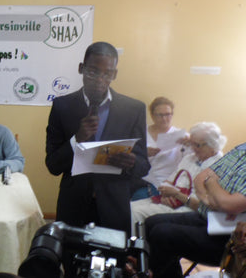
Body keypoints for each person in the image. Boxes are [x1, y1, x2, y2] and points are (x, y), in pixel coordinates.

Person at [45, 41, 149, 237]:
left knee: (113, 265)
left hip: (114, 207)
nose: (100, 79)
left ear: (114, 75)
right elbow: (53, 165)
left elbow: (144, 166)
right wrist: (77, 139)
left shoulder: (133, 109)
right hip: (73, 206)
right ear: (81, 69)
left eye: (107, 74)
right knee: (71, 264)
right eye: (93, 71)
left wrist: (132, 162)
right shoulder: (62, 106)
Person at [145, 143, 246, 277]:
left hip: (230, 237)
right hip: (210, 216)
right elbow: (199, 178)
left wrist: (210, 182)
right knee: (151, 222)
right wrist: (211, 200)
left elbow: (228, 204)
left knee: (162, 234)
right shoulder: (241, 149)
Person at [131, 122, 226, 225]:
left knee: (135, 213)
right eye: (191, 143)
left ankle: (136, 240)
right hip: (171, 201)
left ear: (213, 145)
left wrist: (177, 195)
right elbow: (169, 182)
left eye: (197, 145)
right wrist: (165, 195)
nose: (193, 148)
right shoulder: (189, 158)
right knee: (128, 207)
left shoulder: (220, 167)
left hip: (188, 208)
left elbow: (206, 207)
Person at [131, 97, 187, 200]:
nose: (164, 119)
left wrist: (190, 142)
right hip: (143, 180)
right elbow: (130, 155)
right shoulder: (142, 133)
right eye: (160, 115)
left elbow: (194, 157)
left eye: (168, 114)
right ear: (152, 115)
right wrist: (143, 152)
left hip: (168, 182)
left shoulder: (181, 136)